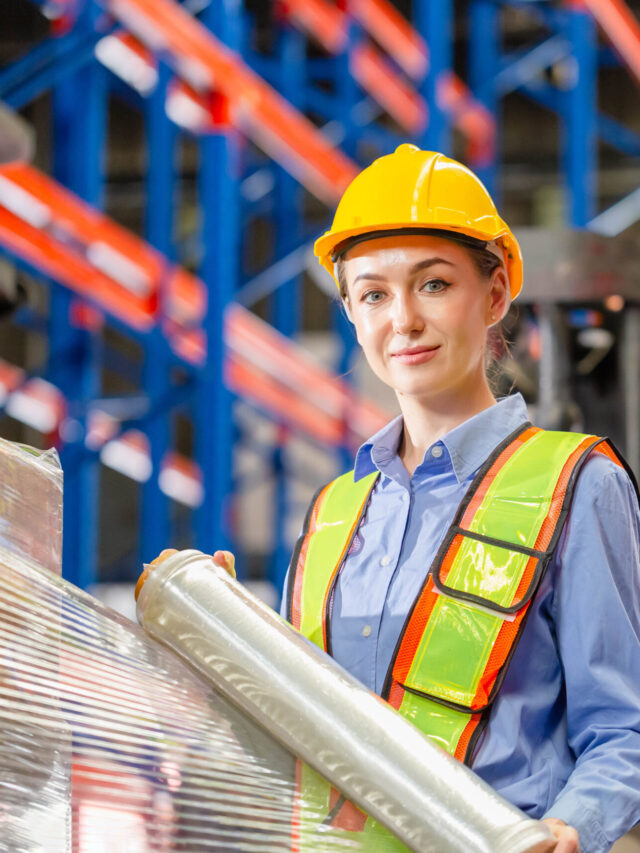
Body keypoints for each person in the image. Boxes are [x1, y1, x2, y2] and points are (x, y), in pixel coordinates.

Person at [157, 145, 640, 853]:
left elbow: (624, 726)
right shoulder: (334, 511)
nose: (403, 319)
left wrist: (569, 829)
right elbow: (304, 734)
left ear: (497, 293)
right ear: (352, 312)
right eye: (374, 294)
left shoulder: (578, 484)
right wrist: (224, 647)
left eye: (434, 284)